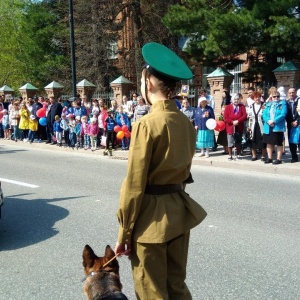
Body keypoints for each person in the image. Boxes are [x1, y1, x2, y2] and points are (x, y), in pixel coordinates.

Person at [114, 42, 207, 300]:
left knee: (151, 291)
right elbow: (184, 174)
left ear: (150, 84)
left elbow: (134, 185)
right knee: (176, 286)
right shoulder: (186, 124)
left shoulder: (146, 124)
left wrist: (124, 233)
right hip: (178, 212)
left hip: (149, 222)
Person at [262, 90, 287, 164]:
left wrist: (274, 121)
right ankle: (269, 158)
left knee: (279, 143)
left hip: (278, 126)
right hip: (268, 126)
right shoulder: (268, 104)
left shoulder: (282, 104)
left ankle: (279, 159)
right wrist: (268, 121)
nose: (276, 98)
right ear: (271, 97)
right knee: (269, 142)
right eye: (274, 96)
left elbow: (283, 114)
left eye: (277, 96)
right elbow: (264, 114)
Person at [223, 93, 247, 160]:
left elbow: (244, 116)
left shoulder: (242, 106)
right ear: (232, 100)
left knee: (238, 141)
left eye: (237, 99)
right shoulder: (228, 107)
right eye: (235, 99)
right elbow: (226, 117)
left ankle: (238, 154)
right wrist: (232, 122)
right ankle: (230, 155)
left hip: (239, 126)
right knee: (230, 141)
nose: (236, 101)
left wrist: (238, 121)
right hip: (230, 126)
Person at [247, 91, 267, 161]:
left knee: (263, 140)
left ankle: (263, 156)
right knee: (253, 140)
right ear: (253, 98)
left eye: (258, 97)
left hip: (262, 125)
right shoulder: (251, 106)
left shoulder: (264, 105)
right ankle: (254, 155)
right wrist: (248, 127)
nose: (257, 98)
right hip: (253, 126)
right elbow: (249, 117)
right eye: (255, 97)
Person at [285, 87, 298, 162]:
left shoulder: (299, 101)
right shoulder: (286, 102)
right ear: (288, 94)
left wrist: (297, 121)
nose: (291, 94)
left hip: (298, 123)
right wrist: (290, 122)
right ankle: (294, 157)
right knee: (291, 141)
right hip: (290, 124)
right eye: (290, 93)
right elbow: (285, 114)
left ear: (295, 93)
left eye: (293, 92)